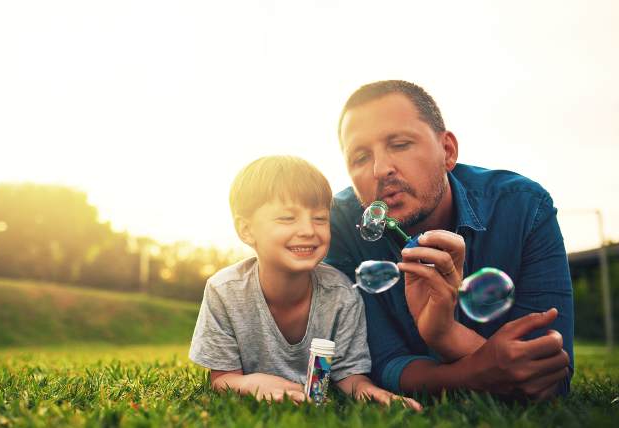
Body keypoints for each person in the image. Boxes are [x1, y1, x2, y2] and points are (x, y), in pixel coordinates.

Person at [324, 80, 574, 400]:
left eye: (400, 144)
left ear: (448, 151)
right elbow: (381, 362)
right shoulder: (339, 223)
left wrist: (446, 335)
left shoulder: (524, 208)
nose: (380, 169)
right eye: (359, 157)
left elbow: (550, 378)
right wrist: (473, 370)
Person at [189, 155, 422, 409]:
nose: (308, 230)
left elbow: (350, 376)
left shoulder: (342, 294)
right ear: (246, 230)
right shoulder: (224, 291)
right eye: (287, 218)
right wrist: (251, 383)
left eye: (320, 219)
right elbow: (222, 378)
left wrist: (372, 393)